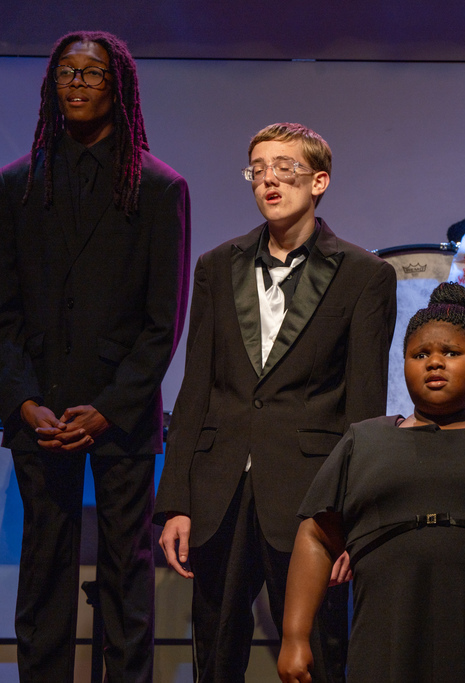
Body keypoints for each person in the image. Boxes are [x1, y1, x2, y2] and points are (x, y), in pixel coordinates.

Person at [154, 122, 397, 682]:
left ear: (320, 181)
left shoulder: (365, 276)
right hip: (219, 492)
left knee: (317, 654)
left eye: (285, 167)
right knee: (215, 655)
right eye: (258, 168)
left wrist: (352, 518)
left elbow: (364, 408)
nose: (269, 179)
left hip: (310, 496)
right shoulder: (218, 266)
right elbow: (196, 391)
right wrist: (177, 502)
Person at [0, 30, 190, 682]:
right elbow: (3, 314)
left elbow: (162, 324)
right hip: (40, 412)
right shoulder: (18, 185)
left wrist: (109, 409)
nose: (78, 84)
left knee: (124, 571)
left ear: (119, 88)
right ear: (53, 85)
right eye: (67, 73)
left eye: (93, 74)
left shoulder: (158, 188)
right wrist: (24, 403)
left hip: (121, 414)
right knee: (43, 567)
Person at [278, 283, 465, 683]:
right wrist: (294, 635)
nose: (434, 363)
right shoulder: (364, 442)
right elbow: (315, 535)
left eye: (451, 353)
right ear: (403, 363)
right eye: (420, 354)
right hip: (389, 648)